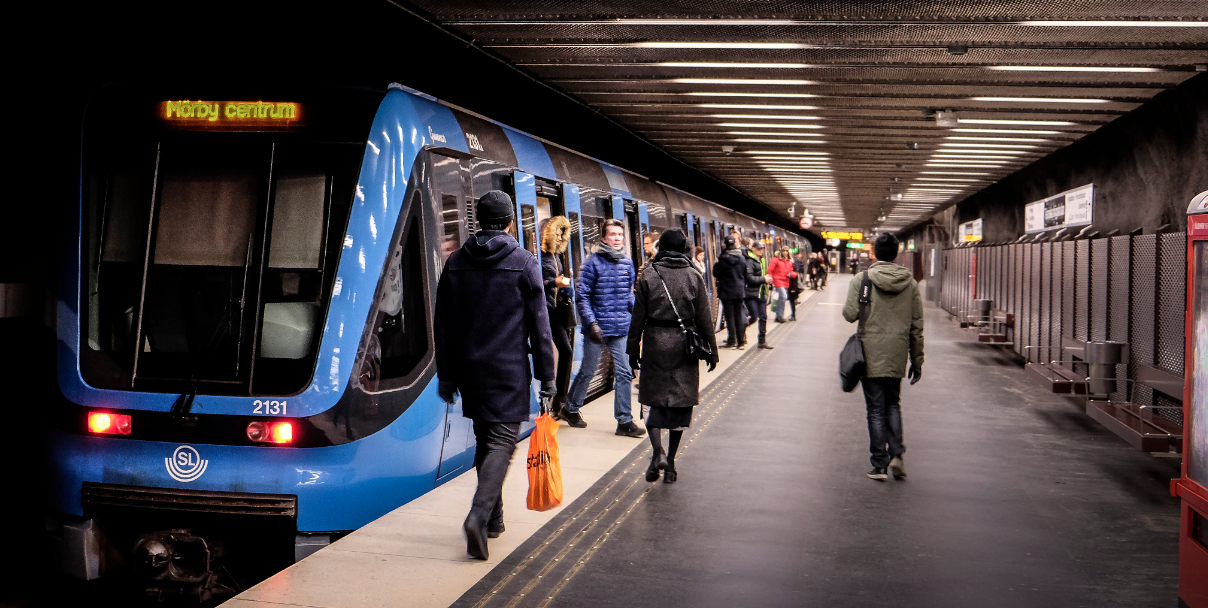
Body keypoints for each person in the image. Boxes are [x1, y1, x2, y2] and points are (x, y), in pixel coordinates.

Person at [434, 190, 556, 560]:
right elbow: (541, 327)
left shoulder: (455, 262)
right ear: (509, 223)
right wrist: (547, 377)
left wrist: (447, 375)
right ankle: (478, 515)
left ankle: (494, 520)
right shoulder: (524, 261)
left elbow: (443, 325)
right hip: (508, 369)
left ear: (478, 222)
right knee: (503, 442)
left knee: (488, 439)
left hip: (470, 370)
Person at [628, 230, 719, 484]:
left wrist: (632, 348)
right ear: (684, 249)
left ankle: (657, 452)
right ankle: (671, 464)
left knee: (652, 399)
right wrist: (712, 350)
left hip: (655, 342)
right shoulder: (694, 276)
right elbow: (704, 318)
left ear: (661, 248)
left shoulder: (649, 274)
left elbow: (638, 318)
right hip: (684, 345)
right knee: (680, 403)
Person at [842, 232, 924, 482]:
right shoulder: (910, 283)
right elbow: (916, 325)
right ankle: (897, 455)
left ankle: (879, 465)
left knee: (875, 409)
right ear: (897, 254)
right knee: (892, 404)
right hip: (897, 352)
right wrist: (917, 360)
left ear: (875, 253)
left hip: (870, 351)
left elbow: (849, 314)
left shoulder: (862, 278)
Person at [560, 219, 646, 437]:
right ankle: (570, 408)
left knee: (625, 373)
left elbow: (628, 294)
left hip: (621, 327)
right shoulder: (592, 263)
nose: (617, 238)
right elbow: (583, 296)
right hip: (596, 329)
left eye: (620, 235)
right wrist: (591, 323)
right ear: (603, 237)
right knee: (588, 371)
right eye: (613, 234)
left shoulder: (627, 263)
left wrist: (639, 316)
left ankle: (624, 421)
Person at [540, 216, 575, 417]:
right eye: (558, 233)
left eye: (563, 234)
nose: (561, 238)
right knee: (565, 350)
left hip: (556, 310)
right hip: (546, 310)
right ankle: (557, 401)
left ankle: (559, 400)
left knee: (566, 351)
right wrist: (555, 282)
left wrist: (564, 289)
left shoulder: (556, 257)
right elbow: (537, 284)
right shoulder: (540, 257)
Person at [714, 235, 748, 349]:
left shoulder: (723, 259)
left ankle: (731, 340)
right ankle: (741, 342)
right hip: (739, 291)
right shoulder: (742, 258)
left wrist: (716, 264)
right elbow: (745, 273)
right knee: (738, 315)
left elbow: (716, 273)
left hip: (726, 291)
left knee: (730, 316)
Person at [743, 240, 775, 350]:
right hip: (751, 294)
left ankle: (762, 341)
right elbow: (749, 278)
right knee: (754, 316)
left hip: (761, 293)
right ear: (753, 249)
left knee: (763, 317)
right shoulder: (749, 261)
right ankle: (740, 330)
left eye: (762, 248)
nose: (761, 250)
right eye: (759, 248)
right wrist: (763, 279)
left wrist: (767, 280)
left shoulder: (761, 260)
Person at [768, 247, 796, 323]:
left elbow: (790, 272)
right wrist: (770, 278)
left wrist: (794, 274)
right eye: (783, 251)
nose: (785, 252)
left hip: (786, 281)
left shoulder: (789, 261)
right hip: (778, 280)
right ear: (781, 252)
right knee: (784, 296)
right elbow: (770, 270)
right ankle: (780, 315)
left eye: (786, 251)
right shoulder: (775, 259)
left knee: (782, 298)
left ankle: (778, 317)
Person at [788, 250, 806, 321]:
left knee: (792, 301)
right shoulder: (791, 264)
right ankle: (792, 315)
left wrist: (793, 288)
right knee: (791, 301)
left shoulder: (793, 265)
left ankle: (793, 315)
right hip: (788, 285)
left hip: (792, 285)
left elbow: (795, 277)